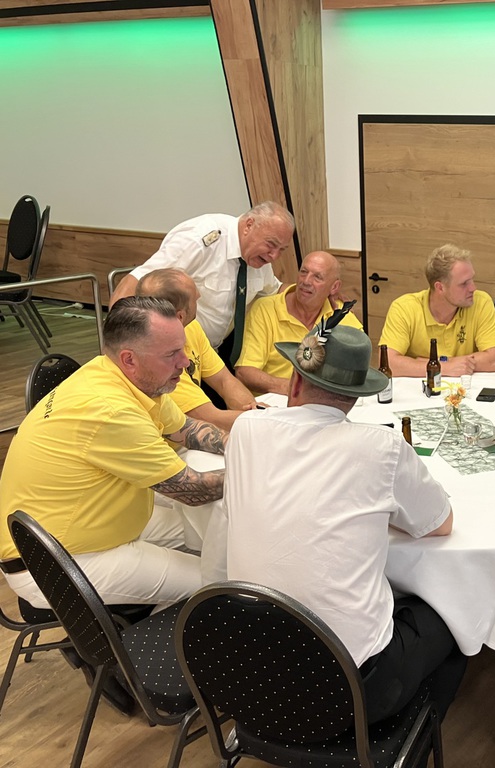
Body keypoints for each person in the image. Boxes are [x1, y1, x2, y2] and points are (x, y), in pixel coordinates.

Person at [202, 322, 466, 724]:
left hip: (248, 669)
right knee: (451, 614)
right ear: (355, 398)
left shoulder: (246, 430)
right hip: (346, 691)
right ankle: (406, 735)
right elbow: (439, 524)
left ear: (294, 382)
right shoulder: (382, 446)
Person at [0, 297, 227, 612]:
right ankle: (151, 638)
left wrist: (247, 445)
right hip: (55, 562)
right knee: (219, 583)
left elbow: (185, 429)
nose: (185, 362)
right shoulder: (110, 410)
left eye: (183, 348)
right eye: (172, 354)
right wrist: (257, 465)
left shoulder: (121, 375)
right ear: (129, 359)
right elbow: (192, 490)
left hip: (89, 523)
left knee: (211, 537)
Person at [110, 201, 295, 354]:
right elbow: (135, 282)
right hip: (177, 353)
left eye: (282, 250)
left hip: (218, 352)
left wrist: (306, 291)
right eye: (271, 244)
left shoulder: (258, 257)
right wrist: (118, 348)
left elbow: (273, 291)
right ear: (249, 225)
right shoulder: (199, 240)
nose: (274, 256)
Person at [136, 268, 260, 429]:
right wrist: (261, 418)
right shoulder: (154, 359)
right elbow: (210, 419)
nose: (199, 296)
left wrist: (251, 408)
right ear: (180, 316)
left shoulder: (191, 327)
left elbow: (224, 380)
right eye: (195, 299)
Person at [235, 250, 364, 395]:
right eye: (303, 272)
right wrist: (295, 389)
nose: (306, 281)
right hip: (276, 402)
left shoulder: (341, 315)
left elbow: (357, 372)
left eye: (317, 277)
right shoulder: (265, 309)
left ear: (334, 287)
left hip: (324, 401)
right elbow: (245, 372)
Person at [378, 243, 495, 377]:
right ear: (440, 287)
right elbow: (387, 362)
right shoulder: (404, 308)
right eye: (464, 283)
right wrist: (444, 367)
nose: (473, 288)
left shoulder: (481, 302)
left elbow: (494, 360)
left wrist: (434, 362)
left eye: (472, 279)